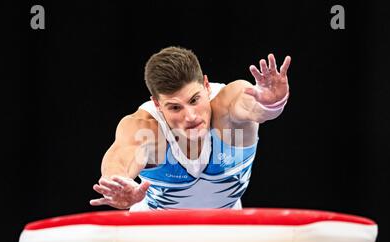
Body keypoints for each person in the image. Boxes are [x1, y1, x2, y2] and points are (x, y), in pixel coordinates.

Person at [90, 46, 291, 210]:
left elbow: (254, 107)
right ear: (158, 105)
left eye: (194, 100)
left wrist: (272, 102)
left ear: (206, 85)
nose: (191, 116)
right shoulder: (147, 128)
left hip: (225, 227)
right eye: (175, 107)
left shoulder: (227, 106)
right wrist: (117, 185)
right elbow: (120, 160)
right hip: (155, 232)